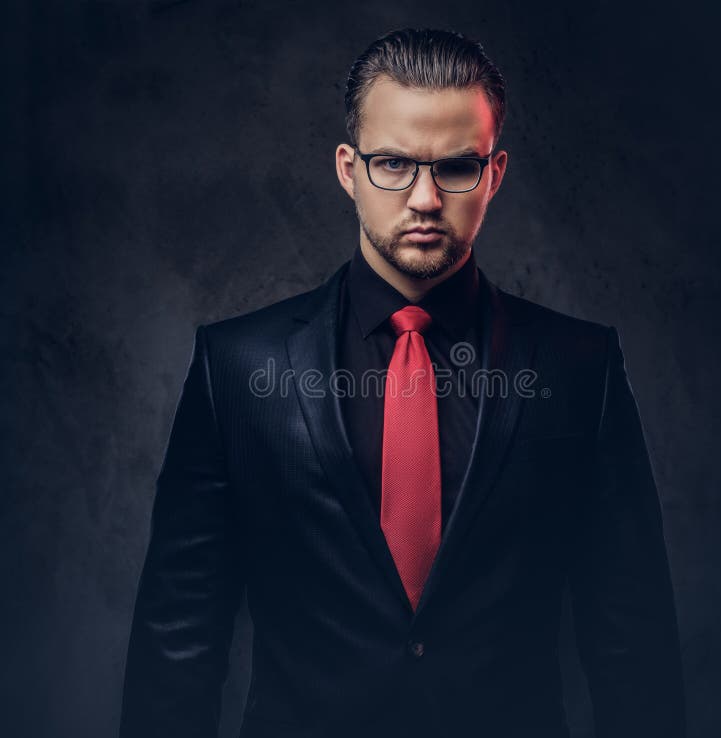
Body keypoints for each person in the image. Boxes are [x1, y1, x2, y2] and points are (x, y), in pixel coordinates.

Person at [120, 27, 687, 738]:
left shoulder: (581, 367)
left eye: (456, 168)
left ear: (495, 174)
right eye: (392, 163)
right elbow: (179, 643)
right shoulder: (233, 366)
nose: (423, 198)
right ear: (348, 169)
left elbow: (632, 645)